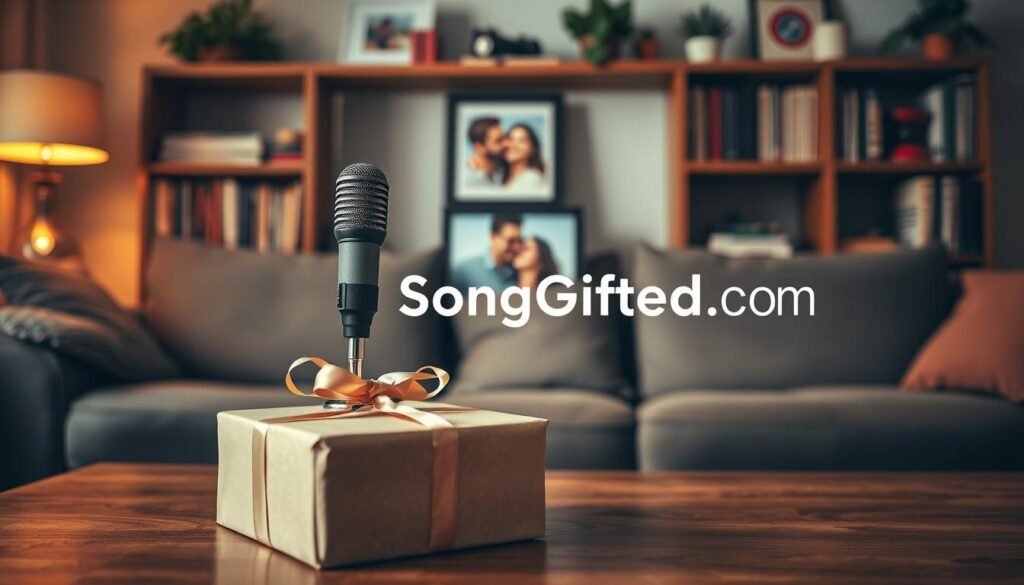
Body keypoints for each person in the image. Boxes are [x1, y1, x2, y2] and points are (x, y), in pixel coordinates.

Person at [450, 213, 523, 292]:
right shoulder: (463, 272)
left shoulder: (520, 272)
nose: (517, 247)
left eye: (519, 241)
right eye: (511, 241)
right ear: (493, 237)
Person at [502, 123, 546, 192]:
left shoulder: (531, 178)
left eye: (522, 141)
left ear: (532, 149)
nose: (513, 145)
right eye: (510, 139)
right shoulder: (500, 176)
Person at [464, 117, 506, 187]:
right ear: (479, 147)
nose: (506, 144)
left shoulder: (501, 169)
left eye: (505, 137)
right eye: (498, 141)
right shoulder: (467, 180)